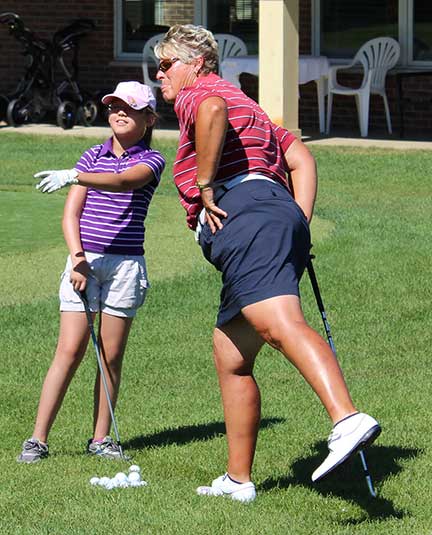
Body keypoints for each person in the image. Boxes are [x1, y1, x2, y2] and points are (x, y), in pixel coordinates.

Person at [155, 25, 381, 503]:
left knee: (279, 322)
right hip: (272, 215)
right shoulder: (248, 106)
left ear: (196, 64)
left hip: (248, 217)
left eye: (166, 63)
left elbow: (211, 114)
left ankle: (346, 418)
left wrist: (207, 184)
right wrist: (296, 222)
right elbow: (299, 156)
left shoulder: (204, 94)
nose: (160, 75)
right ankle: (238, 481)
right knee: (232, 355)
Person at [17, 81, 165, 463]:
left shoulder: (151, 161)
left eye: (129, 110)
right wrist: (78, 256)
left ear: (149, 119)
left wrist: (74, 176)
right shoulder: (90, 156)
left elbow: (123, 182)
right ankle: (37, 439)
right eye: (114, 106)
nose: (119, 113)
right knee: (68, 350)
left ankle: (101, 439)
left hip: (126, 266)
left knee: (110, 355)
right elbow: (72, 214)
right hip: (84, 261)